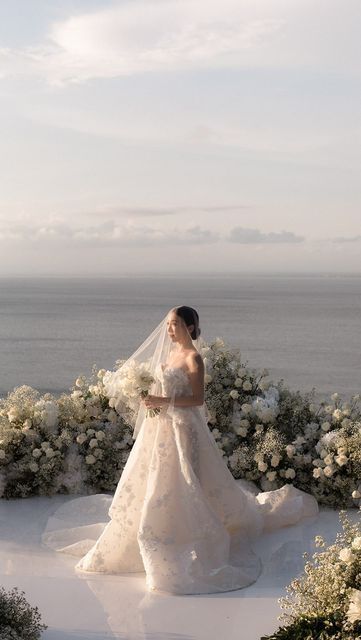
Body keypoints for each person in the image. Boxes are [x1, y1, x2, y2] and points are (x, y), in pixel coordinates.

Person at [42, 305, 319, 595]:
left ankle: (185, 532)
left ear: (189, 326)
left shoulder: (194, 359)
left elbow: (197, 400)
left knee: (184, 476)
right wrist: (146, 396)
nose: (169, 329)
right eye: (168, 324)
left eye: (174, 324)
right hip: (158, 426)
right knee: (154, 475)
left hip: (184, 427)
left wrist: (162, 401)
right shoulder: (170, 354)